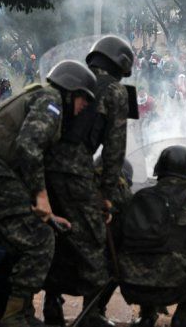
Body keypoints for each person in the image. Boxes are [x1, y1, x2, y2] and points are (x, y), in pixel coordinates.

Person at [0, 60, 96, 327]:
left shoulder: (40, 95)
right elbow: (29, 147)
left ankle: (6, 307)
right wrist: (41, 199)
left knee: (21, 237)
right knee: (39, 239)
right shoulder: (52, 101)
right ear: (70, 91)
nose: (82, 108)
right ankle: (14, 315)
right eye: (82, 101)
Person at [43, 36, 134, 327]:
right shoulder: (116, 92)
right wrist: (107, 193)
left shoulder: (71, 80)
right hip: (75, 172)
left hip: (45, 168)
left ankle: (51, 304)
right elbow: (114, 148)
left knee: (56, 236)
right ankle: (91, 313)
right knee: (94, 242)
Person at [118, 146, 186, 327]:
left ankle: (147, 315)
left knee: (146, 252)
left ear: (159, 170)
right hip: (174, 286)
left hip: (132, 285)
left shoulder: (140, 197)